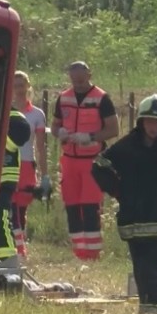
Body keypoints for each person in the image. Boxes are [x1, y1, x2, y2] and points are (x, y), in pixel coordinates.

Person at [91, 94, 157, 314]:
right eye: (149, 121)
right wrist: (117, 190)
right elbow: (99, 165)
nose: (153, 127)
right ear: (141, 121)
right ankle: (150, 310)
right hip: (136, 220)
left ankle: (155, 310)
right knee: (143, 267)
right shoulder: (127, 146)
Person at [51, 61, 119, 261]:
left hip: (92, 160)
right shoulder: (64, 98)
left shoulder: (102, 98)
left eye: (81, 80)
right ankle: (79, 251)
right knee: (72, 206)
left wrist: (90, 137)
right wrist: (59, 132)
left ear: (89, 75)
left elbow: (113, 129)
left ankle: (93, 253)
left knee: (90, 206)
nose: (78, 84)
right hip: (69, 160)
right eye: (74, 80)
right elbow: (54, 126)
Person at [10, 71, 51, 245]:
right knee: (8, 206)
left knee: (21, 208)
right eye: (15, 86)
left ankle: (20, 246)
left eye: (22, 85)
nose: (19, 90)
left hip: (26, 164)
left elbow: (41, 146)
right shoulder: (5, 110)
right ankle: (14, 245)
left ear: (28, 86)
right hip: (7, 163)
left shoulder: (37, 114)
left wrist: (45, 175)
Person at [0, 106, 32, 261]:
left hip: (3, 177)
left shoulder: (10, 114)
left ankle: (7, 260)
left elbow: (21, 131)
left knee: (0, 219)